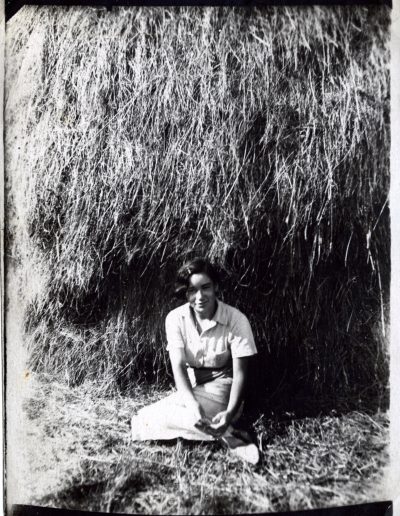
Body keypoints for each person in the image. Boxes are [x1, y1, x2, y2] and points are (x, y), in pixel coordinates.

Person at [131, 257, 259, 464]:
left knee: (150, 419)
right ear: (185, 292)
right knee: (143, 418)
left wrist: (229, 412)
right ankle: (225, 433)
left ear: (216, 287)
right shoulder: (175, 319)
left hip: (223, 387)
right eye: (191, 290)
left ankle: (225, 424)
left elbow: (240, 375)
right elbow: (179, 366)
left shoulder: (236, 320)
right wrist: (192, 404)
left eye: (205, 288)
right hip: (192, 386)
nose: (199, 296)